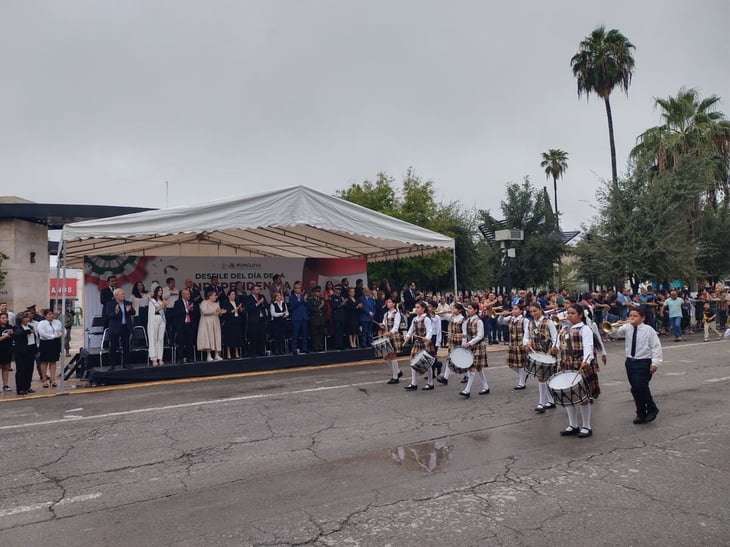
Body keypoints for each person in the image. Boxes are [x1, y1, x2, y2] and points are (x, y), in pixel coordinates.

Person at [614, 307, 662, 424]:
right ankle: (641, 413)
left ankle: (651, 408)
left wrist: (655, 363)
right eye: (630, 315)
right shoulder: (627, 327)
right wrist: (615, 326)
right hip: (630, 362)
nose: (632, 318)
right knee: (635, 389)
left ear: (643, 318)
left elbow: (656, 347)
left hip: (644, 361)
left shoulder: (648, 330)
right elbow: (615, 334)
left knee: (641, 386)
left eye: (635, 316)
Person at [557, 304, 598, 438]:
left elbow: (588, 346)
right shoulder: (563, 328)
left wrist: (587, 360)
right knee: (568, 396)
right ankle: (572, 425)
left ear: (580, 315)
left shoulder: (585, 329)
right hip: (566, 364)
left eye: (572, 313)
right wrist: (553, 348)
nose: (569, 316)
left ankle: (586, 426)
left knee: (582, 397)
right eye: (568, 313)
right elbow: (557, 344)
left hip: (580, 363)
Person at [458, 302, 490, 398]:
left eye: (470, 308)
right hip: (471, 346)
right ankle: (486, 387)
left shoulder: (479, 321)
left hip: (478, 346)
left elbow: (480, 336)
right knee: (478, 368)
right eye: (468, 308)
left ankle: (467, 390)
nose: (468, 310)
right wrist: (463, 336)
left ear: (476, 310)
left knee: (471, 367)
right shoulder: (468, 320)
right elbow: (469, 334)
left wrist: (469, 343)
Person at [403, 301, 435, 391]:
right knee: (413, 361)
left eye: (418, 307)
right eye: (415, 307)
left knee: (427, 363)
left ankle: (430, 383)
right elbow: (410, 330)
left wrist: (427, 337)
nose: (416, 309)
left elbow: (430, 330)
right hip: (417, 343)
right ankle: (413, 383)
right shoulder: (415, 319)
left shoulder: (426, 319)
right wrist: (407, 336)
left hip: (425, 343)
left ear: (423, 309)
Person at [436, 302, 466, 385]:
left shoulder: (463, 319)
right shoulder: (452, 317)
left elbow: (465, 333)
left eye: (454, 308)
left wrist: (464, 344)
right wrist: (442, 312)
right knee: (450, 359)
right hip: (452, 342)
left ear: (459, 310)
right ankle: (445, 378)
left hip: (459, 342)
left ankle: (467, 374)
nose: (452, 310)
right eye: (452, 308)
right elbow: (443, 316)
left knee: (458, 360)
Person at [104, 288, 136, 369]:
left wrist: (128, 311)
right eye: (122, 294)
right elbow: (109, 315)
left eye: (124, 294)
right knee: (113, 346)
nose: (123, 295)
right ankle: (112, 365)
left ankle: (126, 363)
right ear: (116, 296)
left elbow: (133, 312)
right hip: (115, 328)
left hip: (125, 327)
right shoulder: (110, 304)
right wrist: (116, 312)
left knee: (126, 346)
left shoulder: (127, 303)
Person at [378, 298, 405, 384]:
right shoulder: (386, 314)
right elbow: (384, 325)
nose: (387, 303)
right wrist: (381, 325)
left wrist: (390, 332)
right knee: (385, 357)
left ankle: (395, 377)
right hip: (387, 336)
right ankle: (397, 371)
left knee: (393, 356)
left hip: (393, 336)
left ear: (394, 304)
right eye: (387, 302)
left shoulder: (396, 314)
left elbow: (396, 327)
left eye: (389, 302)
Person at [37, 309, 63, 387]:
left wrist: (61, 334)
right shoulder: (42, 323)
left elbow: (63, 330)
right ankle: (44, 379)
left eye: (52, 314)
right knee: (44, 361)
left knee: (53, 361)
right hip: (45, 343)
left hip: (55, 343)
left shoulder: (57, 322)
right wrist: (53, 336)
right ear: (45, 316)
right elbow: (42, 333)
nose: (51, 315)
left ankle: (53, 379)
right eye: (49, 314)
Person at [505, 304, 528, 393]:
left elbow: (526, 333)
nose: (513, 311)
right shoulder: (510, 319)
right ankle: (523, 375)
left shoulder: (524, 320)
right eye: (513, 309)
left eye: (516, 309)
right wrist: (503, 314)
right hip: (512, 344)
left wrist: (525, 343)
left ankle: (521, 383)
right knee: (510, 364)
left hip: (520, 344)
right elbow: (500, 321)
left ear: (521, 311)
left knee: (521, 364)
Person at [13, 312, 38, 395]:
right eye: (26, 318)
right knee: (21, 370)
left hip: (30, 349)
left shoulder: (30, 326)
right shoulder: (17, 327)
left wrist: (36, 350)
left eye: (28, 318)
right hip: (21, 351)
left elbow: (34, 339)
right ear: (21, 319)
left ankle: (27, 386)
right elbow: (17, 334)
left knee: (29, 369)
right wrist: (27, 332)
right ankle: (20, 388)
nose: (28, 319)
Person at [197, 291, 225, 361]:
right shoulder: (204, 302)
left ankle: (216, 355)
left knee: (216, 337)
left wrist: (221, 312)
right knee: (208, 337)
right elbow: (204, 311)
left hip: (215, 321)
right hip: (207, 322)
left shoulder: (216, 304)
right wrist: (215, 311)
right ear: (210, 296)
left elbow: (218, 312)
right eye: (215, 295)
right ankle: (208, 355)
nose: (216, 297)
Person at [172, 288, 197, 363]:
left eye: (189, 294)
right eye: (187, 294)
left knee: (190, 342)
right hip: (181, 325)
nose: (189, 295)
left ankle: (190, 357)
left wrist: (192, 310)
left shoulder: (191, 302)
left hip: (189, 324)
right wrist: (187, 309)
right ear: (183, 295)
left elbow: (195, 313)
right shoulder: (177, 303)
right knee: (181, 342)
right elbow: (177, 313)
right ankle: (180, 358)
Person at [244, 285, 268, 357]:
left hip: (262, 319)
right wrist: (258, 303)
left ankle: (261, 351)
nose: (258, 291)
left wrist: (263, 304)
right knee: (254, 337)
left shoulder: (262, 296)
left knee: (262, 336)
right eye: (256, 289)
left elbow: (266, 305)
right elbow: (249, 308)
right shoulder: (248, 298)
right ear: (252, 291)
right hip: (253, 320)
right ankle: (253, 352)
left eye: (259, 289)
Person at [147, 285, 168, 366]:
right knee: (154, 338)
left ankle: (160, 358)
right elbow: (153, 311)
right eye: (159, 290)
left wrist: (164, 305)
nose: (160, 292)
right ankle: (154, 358)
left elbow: (163, 311)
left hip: (162, 319)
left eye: (161, 290)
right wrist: (162, 305)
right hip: (155, 319)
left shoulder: (162, 300)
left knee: (160, 338)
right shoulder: (152, 301)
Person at [221, 289, 244, 359]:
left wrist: (240, 309)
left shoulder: (237, 302)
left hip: (237, 321)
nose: (233, 296)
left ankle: (236, 352)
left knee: (237, 337)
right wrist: (236, 309)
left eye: (234, 294)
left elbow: (241, 312)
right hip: (229, 322)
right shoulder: (225, 303)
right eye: (232, 294)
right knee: (229, 338)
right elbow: (226, 313)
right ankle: (228, 353)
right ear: (228, 296)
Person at [289, 282, 309, 355]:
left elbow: (307, 306)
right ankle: (294, 349)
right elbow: (292, 307)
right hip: (296, 318)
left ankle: (304, 348)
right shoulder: (292, 297)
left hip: (303, 317)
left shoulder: (302, 296)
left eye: (299, 288)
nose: (298, 290)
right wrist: (299, 300)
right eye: (297, 288)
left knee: (304, 334)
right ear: (294, 289)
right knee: (295, 334)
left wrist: (305, 300)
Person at [307, 286, 326, 352]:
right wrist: (320, 306)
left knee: (321, 333)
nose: (318, 293)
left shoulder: (322, 299)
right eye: (317, 292)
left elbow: (325, 308)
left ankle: (320, 346)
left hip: (321, 318)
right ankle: (315, 347)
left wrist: (322, 306)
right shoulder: (310, 300)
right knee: (314, 334)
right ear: (313, 293)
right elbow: (312, 309)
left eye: (319, 292)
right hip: (314, 319)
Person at [0, 312, 13, 391]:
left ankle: (5, 385)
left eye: (6, 318)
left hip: (7, 350)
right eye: (3, 318)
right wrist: (7, 335)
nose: (5, 319)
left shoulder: (9, 327)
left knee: (5, 368)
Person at [330, 285, 346, 350]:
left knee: (341, 331)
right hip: (336, 316)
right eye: (337, 289)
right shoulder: (332, 297)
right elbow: (333, 306)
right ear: (334, 289)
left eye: (340, 289)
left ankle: (341, 344)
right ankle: (336, 345)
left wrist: (344, 303)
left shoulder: (342, 296)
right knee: (337, 331)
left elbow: (346, 305)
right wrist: (342, 304)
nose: (339, 290)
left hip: (342, 316)